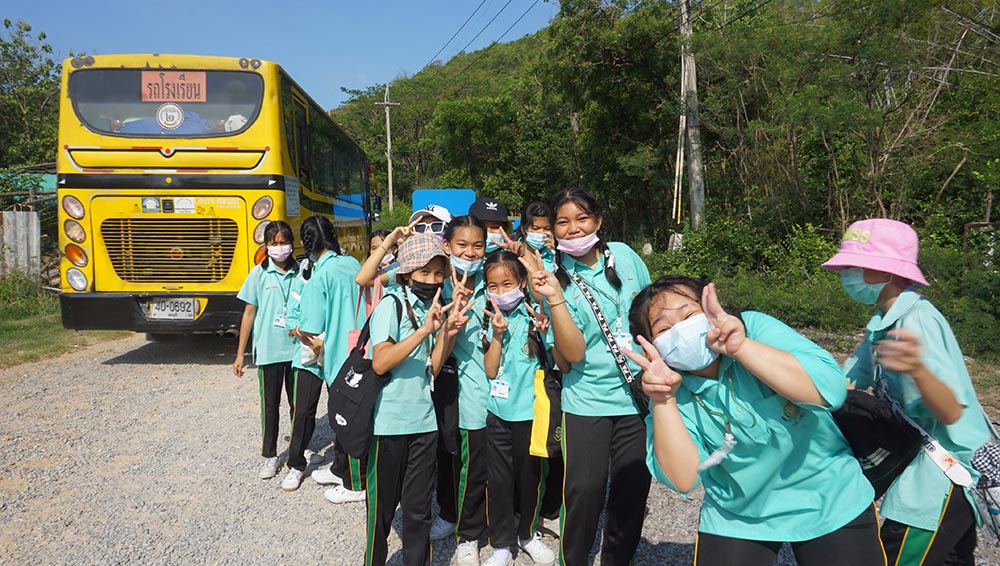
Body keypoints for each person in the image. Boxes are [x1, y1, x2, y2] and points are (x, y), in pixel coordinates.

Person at [624, 275, 886, 566]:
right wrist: (663, 400)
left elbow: (830, 391)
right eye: (664, 329)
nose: (681, 331)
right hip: (738, 513)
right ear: (650, 346)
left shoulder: (753, 328)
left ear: (711, 311)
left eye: (689, 315)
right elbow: (682, 479)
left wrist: (741, 348)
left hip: (829, 494)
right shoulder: (669, 387)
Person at [822, 218, 990, 565]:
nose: (847, 275)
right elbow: (844, 384)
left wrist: (917, 370)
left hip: (944, 472)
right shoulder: (882, 326)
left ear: (887, 272)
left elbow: (951, 412)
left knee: (897, 552)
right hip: (926, 465)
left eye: (855, 266)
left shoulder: (918, 320)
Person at [522, 188, 651, 565]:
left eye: (582, 218)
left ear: (598, 221)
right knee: (583, 492)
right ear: (554, 231)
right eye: (563, 222)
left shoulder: (625, 255)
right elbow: (571, 358)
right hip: (586, 402)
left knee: (631, 492)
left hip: (637, 399)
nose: (574, 228)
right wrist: (554, 298)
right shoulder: (552, 279)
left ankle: (618, 558)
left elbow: (651, 310)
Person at [365, 232, 461, 566]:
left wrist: (448, 332)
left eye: (438, 274)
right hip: (388, 425)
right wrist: (423, 332)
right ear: (407, 273)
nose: (432, 280)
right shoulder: (390, 305)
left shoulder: (429, 308)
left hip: (424, 423)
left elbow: (432, 366)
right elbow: (381, 362)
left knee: (419, 511)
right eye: (424, 272)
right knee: (381, 511)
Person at [481, 251, 557, 566]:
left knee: (531, 478)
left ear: (522, 283)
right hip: (498, 414)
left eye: (507, 284)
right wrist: (498, 335)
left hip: (533, 415)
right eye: (493, 286)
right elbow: (490, 370)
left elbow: (558, 362)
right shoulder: (490, 319)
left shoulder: (537, 317)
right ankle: (501, 544)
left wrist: (545, 329)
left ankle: (527, 534)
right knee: (499, 481)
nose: (500, 292)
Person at [428, 215, 490, 563]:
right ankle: (455, 520)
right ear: (447, 246)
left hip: (492, 393)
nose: (470, 252)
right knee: (451, 457)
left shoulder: (497, 279)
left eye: (477, 245)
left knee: (477, 464)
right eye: (462, 245)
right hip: (454, 389)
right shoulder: (438, 286)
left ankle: (471, 531)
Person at [292, 216, 365, 498]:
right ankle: (339, 467)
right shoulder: (352, 264)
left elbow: (310, 326)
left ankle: (354, 483)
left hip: (336, 356)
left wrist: (297, 329)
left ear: (305, 244)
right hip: (360, 348)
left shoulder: (318, 277)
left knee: (346, 420)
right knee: (354, 413)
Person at [232, 220, 298, 481]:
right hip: (269, 351)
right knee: (270, 407)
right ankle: (270, 456)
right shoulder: (258, 274)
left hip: (297, 352)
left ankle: (298, 451)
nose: (279, 247)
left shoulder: (303, 273)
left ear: (291, 244)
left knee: (298, 406)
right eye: (274, 243)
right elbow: (249, 313)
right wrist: (240, 354)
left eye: (283, 242)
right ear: (266, 246)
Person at [356, 205, 452, 289]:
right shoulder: (407, 265)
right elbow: (363, 279)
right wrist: (390, 240)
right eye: (420, 227)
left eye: (436, 226)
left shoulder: (458, 263)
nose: (427, 233)